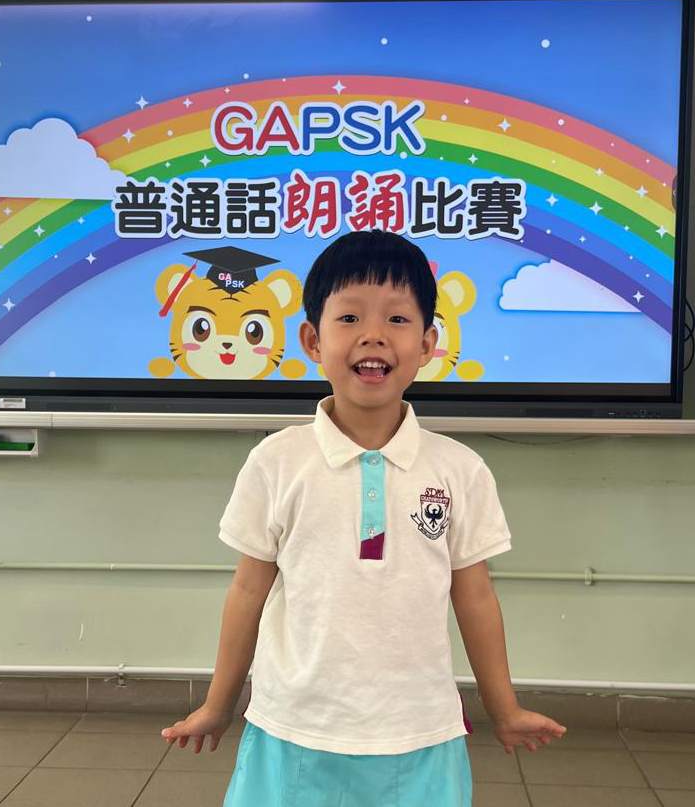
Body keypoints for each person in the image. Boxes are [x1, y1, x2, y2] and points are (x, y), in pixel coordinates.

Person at [161, 230, 566, 806]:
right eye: (349, 317)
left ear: (428, 344)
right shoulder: (276, 461)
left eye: (397, 320)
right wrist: (217, 706)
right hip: (293, 729)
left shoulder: (460, 469)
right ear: (312, 339)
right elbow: (248, 591)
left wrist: (505, 709)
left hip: (420, 733)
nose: (373, 334)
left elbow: (475, 596)